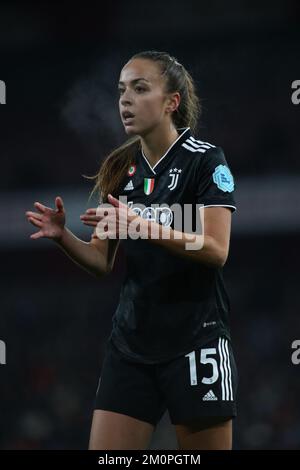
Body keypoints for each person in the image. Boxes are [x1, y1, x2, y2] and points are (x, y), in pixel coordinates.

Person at [25, 50, 238, 450]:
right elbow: (101, 262)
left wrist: (142, 226)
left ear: (172, 102)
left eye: (140, 89)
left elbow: (216, 249)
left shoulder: (206, 162)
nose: (125, 99)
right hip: (130, 348)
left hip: (196, 344)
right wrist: (64, 237)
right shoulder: (122, 169)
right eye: (122, 90)